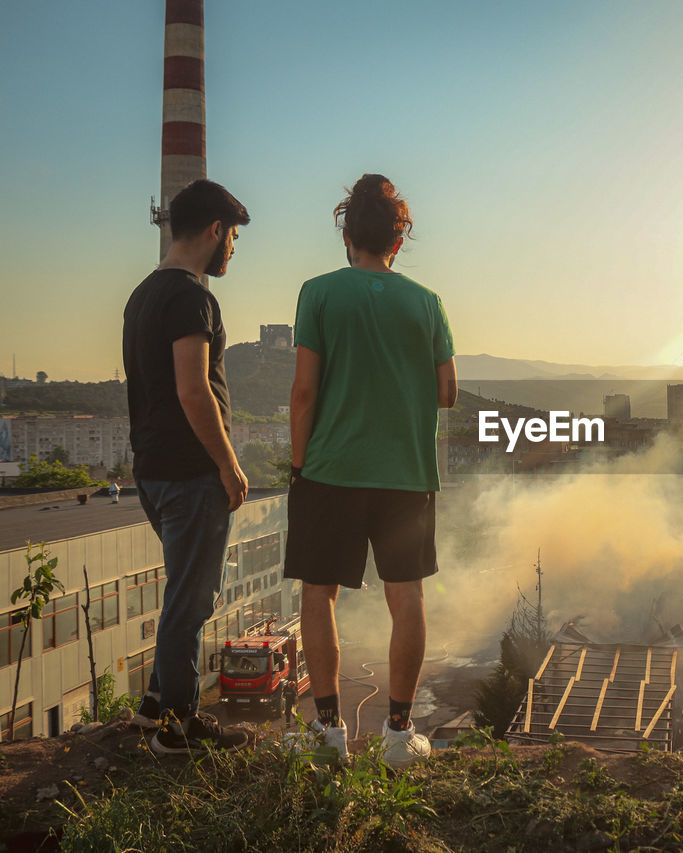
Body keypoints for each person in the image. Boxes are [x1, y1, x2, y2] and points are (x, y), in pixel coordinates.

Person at [284, 174, 457, 767]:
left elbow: (304, 391)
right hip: (407, 473)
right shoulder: (427, 302)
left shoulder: (319, 293)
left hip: (330, 469)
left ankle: (328, 732)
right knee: (405, 595)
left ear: (346, 233)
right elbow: (448, 391)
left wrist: (299, 465)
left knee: (320, 593)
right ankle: (399, 736)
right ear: (398, 239)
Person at [122, 178, 253, 754]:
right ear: (214, 230)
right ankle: (177, 725)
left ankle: (155, 705)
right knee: (194, 599)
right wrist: (228, 466)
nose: (234, 249)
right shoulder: (192, 298)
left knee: (183, 592)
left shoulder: (142, 295)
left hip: (153, 469)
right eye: (234, 237)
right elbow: (193, 390)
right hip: (190, 471)